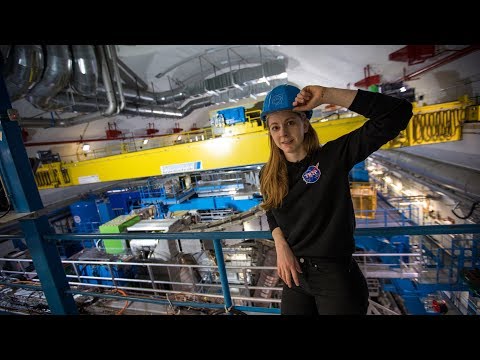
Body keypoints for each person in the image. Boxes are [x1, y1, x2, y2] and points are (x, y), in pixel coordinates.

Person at [259, 84, 413, 315]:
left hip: (335, 277)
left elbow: (397, 113)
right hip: (295, 276)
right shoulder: (268, 173)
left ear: (305, 123)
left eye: (290, 122)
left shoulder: (333, 157)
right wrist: (280, 244)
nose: (283, 133)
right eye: (275, 127)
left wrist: (326, 96)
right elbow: (271, 211)